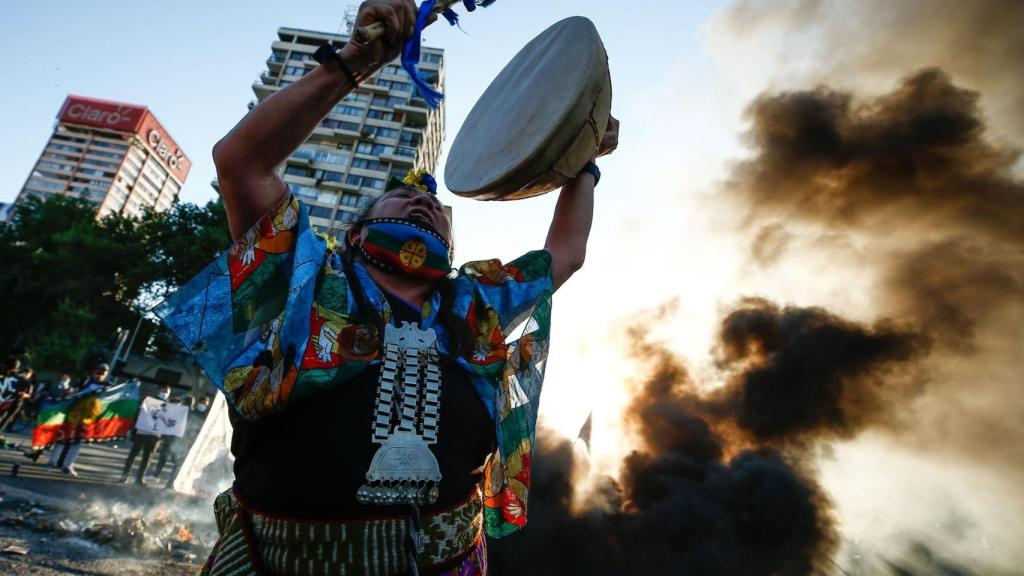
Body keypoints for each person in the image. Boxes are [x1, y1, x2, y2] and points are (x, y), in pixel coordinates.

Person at [155, 1, 617, 573]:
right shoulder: (308, 278)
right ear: (355, 231)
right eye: (401, 196)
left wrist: (586, 159)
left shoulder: (475, 303)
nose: (423, 197)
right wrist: (357, 61)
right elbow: (241, 163)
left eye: (437, 206)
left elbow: (565, 254)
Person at [48, 362, 111, 476]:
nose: (100, 374)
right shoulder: (85, 381)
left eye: (103, 372)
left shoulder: (107, 386)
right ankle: (53, 461)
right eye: (98, 371)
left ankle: (68, 465)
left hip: (88, 417)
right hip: (74, 413)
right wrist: (66, 396)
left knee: (77, 441)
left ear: (106, 374)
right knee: (63, 437)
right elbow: (74, 392)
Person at [152, 394, 210, 488]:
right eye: (201, 402)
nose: (202, 405)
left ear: (207, 406)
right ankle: (158, 476)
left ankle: (171, 482)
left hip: (192, 443)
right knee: (171, 459)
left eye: (204, 403)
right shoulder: (190, 412)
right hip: (180, 440)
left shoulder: (208, 417)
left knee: (180, 464)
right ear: (198, 403)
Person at [117, 384, 171, 485]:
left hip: (155, 436)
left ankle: (139, 478)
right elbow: (138, 414)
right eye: (162, 390)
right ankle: (125, 475)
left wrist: (163, 436)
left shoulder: (170, 407)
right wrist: (133, 430)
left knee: (147, 458)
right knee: (133, 455)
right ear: (158, 391)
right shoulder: (148, 401)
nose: (164, 393)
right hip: (142, 433)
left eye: (166, 392)